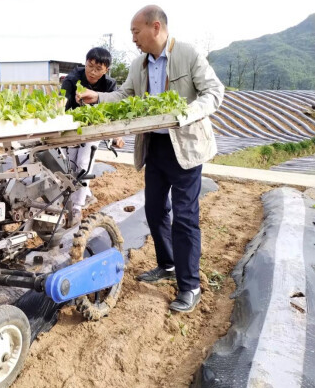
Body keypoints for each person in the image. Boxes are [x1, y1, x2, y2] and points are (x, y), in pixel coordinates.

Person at [77, 5, 225, 313]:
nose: (133, 39)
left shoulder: (188, 54)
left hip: (185, 146)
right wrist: (99, 97)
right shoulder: (137, 64)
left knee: (185, 217)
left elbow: (213, 93)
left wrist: (185, 114)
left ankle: (189, 285)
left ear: (155, 27)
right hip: (155, 147)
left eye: (135, 32)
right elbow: (126, 95)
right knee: (156, 210)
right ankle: (167, 264)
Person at [61, 47, 125, 225]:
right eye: (90, 66)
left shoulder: (110, 85)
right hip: (73, 129)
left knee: (83, 164)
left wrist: (115, 136)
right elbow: (62, 108)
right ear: (85, 63)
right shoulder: (72, 79)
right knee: (70, 166)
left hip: (94, 129)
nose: (93, 72)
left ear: (106, 70)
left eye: (98, 69)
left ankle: (77, 208)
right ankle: (84, 196)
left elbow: (113, 113)